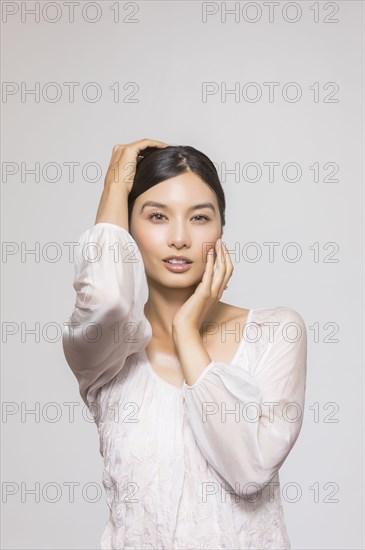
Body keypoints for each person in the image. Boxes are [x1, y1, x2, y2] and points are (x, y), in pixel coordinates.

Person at [62, 138, 307, 549]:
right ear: (126, 228)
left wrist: (186, 330)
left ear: (221, 228)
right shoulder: (105, 351)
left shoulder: (277, 332)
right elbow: (106, 299)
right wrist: (113, 186)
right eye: (157, 216)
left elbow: (248, 471)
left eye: (199, 218)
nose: (179, 238)